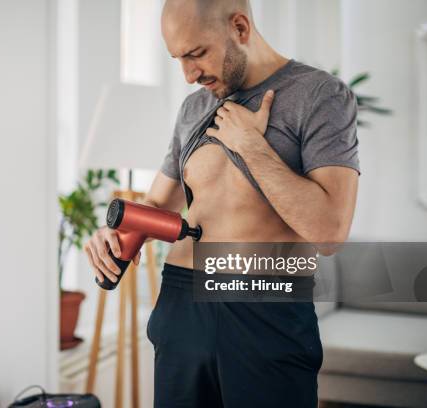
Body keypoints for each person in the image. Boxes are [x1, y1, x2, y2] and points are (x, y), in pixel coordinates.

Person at [84, 0, 360, 406]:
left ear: (240, 27)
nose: (189, 74)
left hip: (265, 308)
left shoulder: (320, 94)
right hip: (181, 305)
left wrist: (252, 147)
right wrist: (113, 232)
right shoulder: (193, 107)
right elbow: (157, 204)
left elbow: (330, 231)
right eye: (178, 58)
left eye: (196, 54)